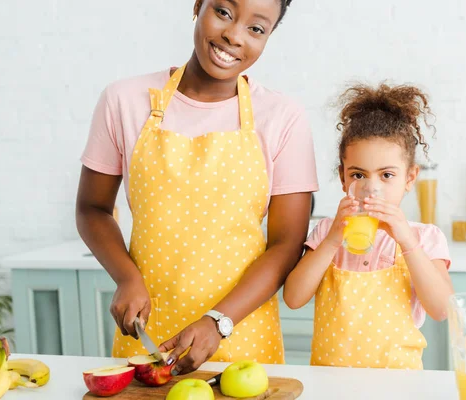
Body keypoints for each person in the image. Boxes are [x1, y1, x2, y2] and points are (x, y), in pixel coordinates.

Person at [76, 0, 318, 376]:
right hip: (147, 333)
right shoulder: (123, 100)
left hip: (241, 336)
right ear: (197, 5)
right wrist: (126, 276)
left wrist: (220, 321)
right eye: (223, 11)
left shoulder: (283, 117)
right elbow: (91, 208)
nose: (234, 36)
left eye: (257, 29)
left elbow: (286, 244)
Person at [283, 83, 453, 370]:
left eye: (386, 175)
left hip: (398, 385)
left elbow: (442, 309)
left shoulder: (424, 238)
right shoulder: (327, 231)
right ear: (343, 178)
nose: (370, 188)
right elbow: (293, 298)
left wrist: (407, 242)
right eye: (358, 174)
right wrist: (333, 239)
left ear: (410, 178)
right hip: (331, 384)